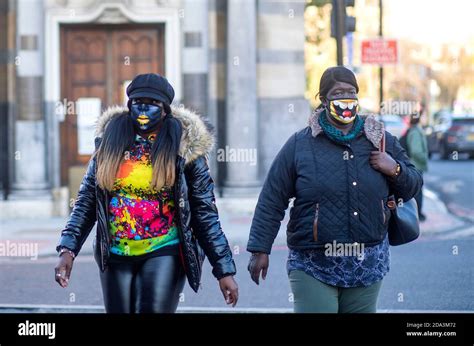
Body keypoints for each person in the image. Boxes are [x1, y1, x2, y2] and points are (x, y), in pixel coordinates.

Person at [55, 73, 238, 313]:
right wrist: (68, 249)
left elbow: (205, 214)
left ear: (165, 110)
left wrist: (224, 270)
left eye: (153, 104)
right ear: (129, 105)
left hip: (164, 250)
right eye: (139, 102)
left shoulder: (184, 149)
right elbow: (86, 202)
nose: (144, 108)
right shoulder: (109, 142)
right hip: (116, 253)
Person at [247, 66, 422, 313]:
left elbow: (414, 183)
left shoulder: (380, 138)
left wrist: (394, 168)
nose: (345, 98)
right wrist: (260, 248)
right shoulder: (301, 144)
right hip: (313, 263)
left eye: (351, 92)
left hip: (367, 263)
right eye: (338, 92)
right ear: (323, 99)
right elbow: (272, 199)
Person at [405, 110, 429, 221]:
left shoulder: (415, 130)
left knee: (417, 191)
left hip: (416, 165)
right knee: (417, 192)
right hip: (416, 165)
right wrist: (424, 158)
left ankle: (418, 213)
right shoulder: (415, 132)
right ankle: (418, 214)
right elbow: (416, 151)